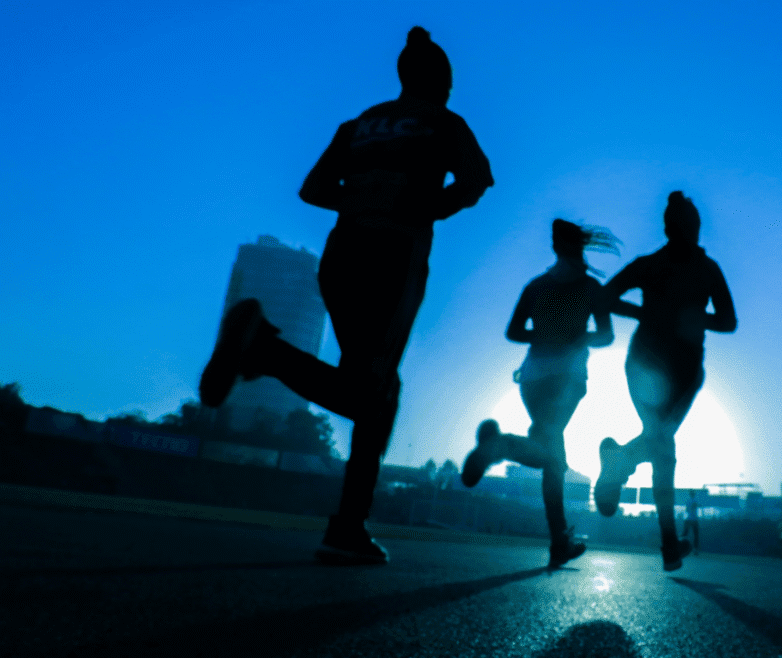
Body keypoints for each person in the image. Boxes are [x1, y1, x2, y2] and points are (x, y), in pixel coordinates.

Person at [198, 27, 493, 565]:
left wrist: (360, 197)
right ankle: (264, 351)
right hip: (394, 257)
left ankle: (348, 524)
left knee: (377, 386)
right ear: (442, 81)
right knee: (372, 390)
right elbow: (478, 180)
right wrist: (423, 206)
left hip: (342, 255)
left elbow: (311, 189)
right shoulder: (444, 122)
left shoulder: (359, 125)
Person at [592, 191, 737, 571]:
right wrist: (654, 313)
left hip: (677, 375)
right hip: (657, 370)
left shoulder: (676, 267)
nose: (691, 235)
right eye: (688, 228)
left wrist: (663, 315)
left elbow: (728, 321)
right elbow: (604, 298)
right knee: (663, 446)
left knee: (661, 444)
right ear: (678, 228)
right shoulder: (695, 269)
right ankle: (668, 543)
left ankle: (619, 462)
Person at [460, 219, 618, 568]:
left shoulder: (536, 286)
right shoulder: (591, 288)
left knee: (553, 459)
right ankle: (500, 446)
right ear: (579, 247)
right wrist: (577, 337)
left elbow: (514, 331)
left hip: (531, 379)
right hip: (567, 379)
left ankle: (559, 540)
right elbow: (607, 336)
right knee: (552, 457)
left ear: (554, 247)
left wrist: (544, 335)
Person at [680, 489, 701, 555]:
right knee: (696, 535)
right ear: (693, 494)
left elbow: (686, 510)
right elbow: (696, 505)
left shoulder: (687, 501)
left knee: (685, 534)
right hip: (694, 520)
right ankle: (695, 550)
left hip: (688, 519)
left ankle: (678, 546)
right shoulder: (694, 500)